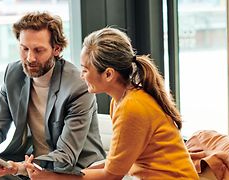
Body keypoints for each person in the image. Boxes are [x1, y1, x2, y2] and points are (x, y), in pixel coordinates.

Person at [24, 27, 199, 179]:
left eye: (85, 69)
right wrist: (70, 174)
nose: (81, 75)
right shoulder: (122, 100)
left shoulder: (132, 107)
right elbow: (115, 163)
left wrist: (52, 177)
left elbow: (111, 175)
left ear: (108, 74)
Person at [0, 11, 106, 180]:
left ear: (56, 49)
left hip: (70, 171)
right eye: (24, 49)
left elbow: (66, 156)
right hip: (29, 167)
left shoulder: (77, 87)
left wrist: (18, 168)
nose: (30, 58)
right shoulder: (13, 74)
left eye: (38, 50)